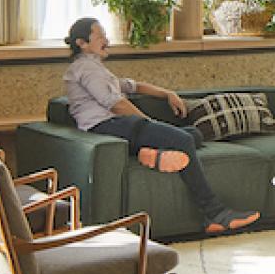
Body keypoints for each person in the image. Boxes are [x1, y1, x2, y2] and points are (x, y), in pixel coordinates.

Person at [60, 16, 258, 236]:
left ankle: (153, 153)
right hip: (109, 126)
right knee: (181, 140)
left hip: (117, 125)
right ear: (82, 43)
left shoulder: (95, 68)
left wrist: (168, 94)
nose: (106, 39)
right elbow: (115, 104)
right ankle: (215, 214)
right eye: (100, 35)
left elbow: (131, 86)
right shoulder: (86, 69)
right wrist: (149, 123)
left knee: (192, 135)